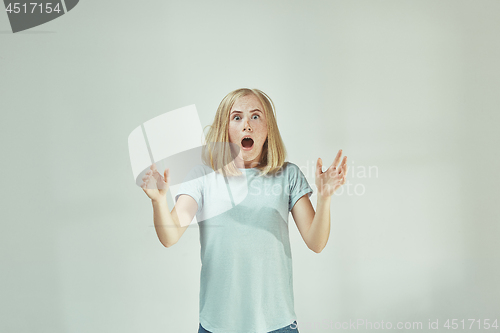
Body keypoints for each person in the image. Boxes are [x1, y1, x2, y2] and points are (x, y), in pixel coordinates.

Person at [141, 88, 348, 333]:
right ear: (224, 128)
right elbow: (170, 235)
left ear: (268, 127)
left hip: (277, 324)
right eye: (237, 117)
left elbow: (316, 242)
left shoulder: (288, 175)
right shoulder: (202, 176)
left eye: (256, 116)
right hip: (217, 324)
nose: (247, 125)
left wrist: (324, 198)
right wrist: (158, 201)